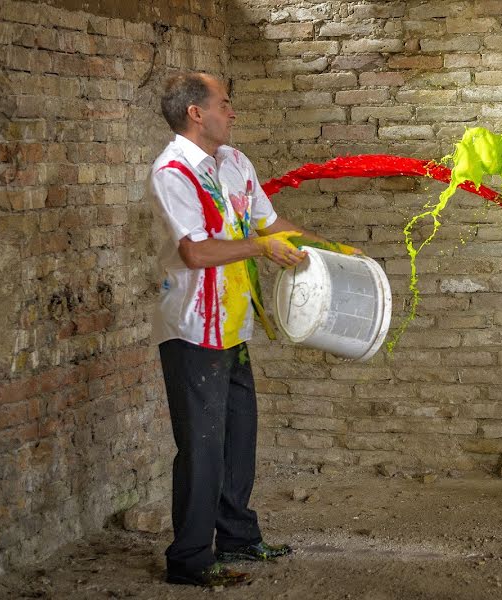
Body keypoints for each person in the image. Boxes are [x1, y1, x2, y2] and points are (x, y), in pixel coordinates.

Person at [149, 72, 356, 587]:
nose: (232, 111)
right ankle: (190, 560)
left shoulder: (236, 164)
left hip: (235, 323)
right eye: (225, 102)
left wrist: (334, 250)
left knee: (239, 438)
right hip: (194, 327)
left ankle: (238, 537)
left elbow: (269, 224)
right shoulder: (172, 171)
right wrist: (262, 249)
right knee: (201, 445)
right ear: (196, 113)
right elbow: (195, 251)